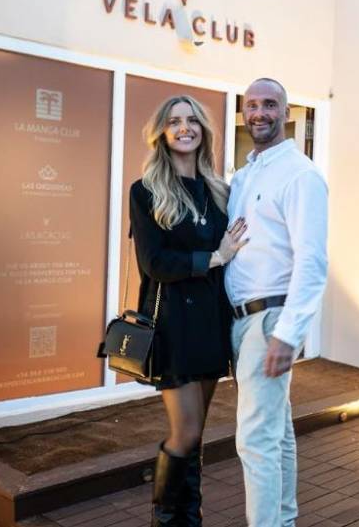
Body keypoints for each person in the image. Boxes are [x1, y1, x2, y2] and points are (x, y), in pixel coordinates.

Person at [129, 95, 247, 526]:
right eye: (175, 121)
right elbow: (154, 263)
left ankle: (189, 519)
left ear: (204, 130)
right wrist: (215, 257)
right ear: (162, 132)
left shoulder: (220, 191)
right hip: (173, 325)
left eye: (192, 120)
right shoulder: (146, 191)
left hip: (211, 324)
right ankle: (165, 519)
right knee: (186, 432)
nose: (185, 128)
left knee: (197, 437)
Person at [226, 78, 328, 526]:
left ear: (286, 113)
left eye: (270, 105)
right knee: (276, 432)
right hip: (243, 322)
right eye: (252, 105)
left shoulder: (300, 175)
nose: (260, 113)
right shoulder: (244, 175)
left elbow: (312, 261)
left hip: (269, 320)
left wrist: (288, 334)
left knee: (255, 441)